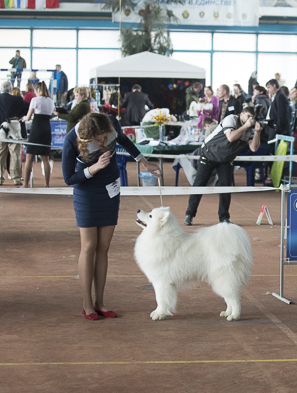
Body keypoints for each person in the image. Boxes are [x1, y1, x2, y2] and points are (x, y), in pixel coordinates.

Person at [62, 112, 160, 320]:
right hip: (86, 193)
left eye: (107, 136)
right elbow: (68, 178)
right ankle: (87, 303)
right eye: (101, 139)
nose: (106, 141)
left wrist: (145, 163)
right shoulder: (71, 139)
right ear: (89, 136)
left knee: (103, 248)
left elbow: (125, 140)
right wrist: (94, 168)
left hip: (111, 191)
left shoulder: (111, 124)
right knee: (89, 247)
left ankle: (100, 301)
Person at [184, 107, 262, 226]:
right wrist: (245, 126)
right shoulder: (230, 119)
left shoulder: (250, 130)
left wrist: (257, 132)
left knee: (226, 187)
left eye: (252, 117)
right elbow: (230, 137)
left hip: (226, 158)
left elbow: (254, 148)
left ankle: (224, 217)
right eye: (248, 116)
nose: (250, 120)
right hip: (209, 153)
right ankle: (189, 214)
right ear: (241, 114)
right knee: (199, 184)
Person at [21, 82, 54, 188]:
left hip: (37, 128)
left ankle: (25, 184)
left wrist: (24, 118)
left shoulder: (35, 100)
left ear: (38, 90)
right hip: (46, 128)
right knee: (45, 158)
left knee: (29, 156)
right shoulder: (51, 101)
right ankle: (46, 184)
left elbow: (29, 117)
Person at [0, 80, 29, 185]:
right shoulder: (17, 99)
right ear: (10, 89)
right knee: (15, 154)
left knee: (0, 154)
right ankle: (16, 178)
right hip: (14, 127)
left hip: (1, 129)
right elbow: (27, 109)